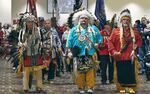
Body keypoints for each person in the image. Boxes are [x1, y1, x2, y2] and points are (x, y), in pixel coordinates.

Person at [66, 9, 102, 94]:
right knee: (80, 71)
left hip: (90, 53)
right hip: (78, 53)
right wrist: (69, 51)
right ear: (78, 20)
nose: (84, 20)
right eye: (82, 18)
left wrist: (98, 43)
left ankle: (90, 87)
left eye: (86, 18)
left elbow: (99, 38)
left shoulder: (94, 29)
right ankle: (81, 87)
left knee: (90, 71)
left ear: (88, 20)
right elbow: (69, 41)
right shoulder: (74, 30)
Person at [108, 9, 142, 93]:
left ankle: (131, 88)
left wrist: (136, 45)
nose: (125, 21)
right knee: (121, 72)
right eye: (124, 19)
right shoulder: (116, 31)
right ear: (121, 20)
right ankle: (121, 88)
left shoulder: (134, 31)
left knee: (131, 73)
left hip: (131, 57)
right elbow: (110, 42)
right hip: (120, 56)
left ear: (130, 21)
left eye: (127, 20)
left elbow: (139, 40)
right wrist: (113, 52)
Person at [18, 13, 44, 93]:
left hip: (37, 53)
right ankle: (25, 87)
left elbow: (42, 40)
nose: (30, 23)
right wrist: (22, 45)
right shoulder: (22, 31)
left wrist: (41, 44)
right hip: (26, 54)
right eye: (28, 22)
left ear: (34, 22)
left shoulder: (38, 30)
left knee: (39, 72)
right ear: (25, 23)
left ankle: (39, 87)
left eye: (31, 22)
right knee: (26, 72)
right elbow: (19, 41)